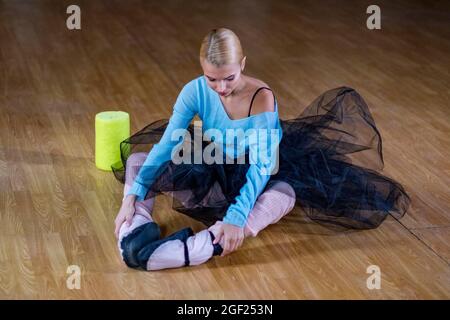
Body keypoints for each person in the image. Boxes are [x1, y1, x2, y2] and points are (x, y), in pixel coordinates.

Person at [112, 28, 411, 271]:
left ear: (242, 65)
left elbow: (261, 166)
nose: (220, 88)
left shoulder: (261, 98)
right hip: (215, 158)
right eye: (211, 78)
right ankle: (135, 224)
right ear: (202, 70)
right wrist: (132, 195)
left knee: (286, 193)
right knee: (139, 160)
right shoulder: (194, 90)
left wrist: (236, 217)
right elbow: (167, 143)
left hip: (261, 165)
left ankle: (212, 241)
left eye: (228, 78)